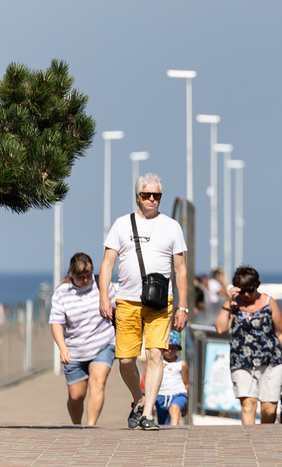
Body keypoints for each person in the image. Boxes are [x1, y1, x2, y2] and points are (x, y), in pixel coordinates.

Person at [99, 173, 190, 432]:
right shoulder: (121, 225)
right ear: (137, 196)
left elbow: (181, 269)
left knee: (155, 354)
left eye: (157, 195)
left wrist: (183, 307)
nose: (152, 199)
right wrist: (103, 296)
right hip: (127, 301)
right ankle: (138, 401)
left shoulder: (172, 226)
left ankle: (149, 413)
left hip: (161, 300)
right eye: (147, 195)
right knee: (125, 360)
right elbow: (107, 263)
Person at [214, 265, 282, 425]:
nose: (246, 294)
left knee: (269, 409)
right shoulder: (234, 304)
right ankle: (249, 444)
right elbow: (221, 328)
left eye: (249, 290)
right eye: (242, 290)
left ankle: (264, 442)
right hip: (241, 362)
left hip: (271, 362)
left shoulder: (269, 302)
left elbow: (281, 332)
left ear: (256, 286)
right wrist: (227, 301)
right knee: (248, 405)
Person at [49, 252, 117, 426]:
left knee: (98, 382)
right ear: (72, 274)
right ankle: (77, 426)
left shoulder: (102, 285)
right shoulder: (62, 292)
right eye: (81, 277)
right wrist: (63, 348)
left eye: (88, 276)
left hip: (103, 344)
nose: (86, 280)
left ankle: (90, 427)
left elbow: (121, 308)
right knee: (76, 396)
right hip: (75, 349)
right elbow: (56, 322)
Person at [155, 330, 189, 426]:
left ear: (177, 348)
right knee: (163, 423)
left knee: (174, 409)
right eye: (166, 348)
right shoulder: (157, 362)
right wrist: (157, 367)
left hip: (178, 394)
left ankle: (174, 433)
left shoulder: (181, 363)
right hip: (161, 396)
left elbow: (186, 383)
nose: (169, 351)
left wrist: (187, 404)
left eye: (173, 348)